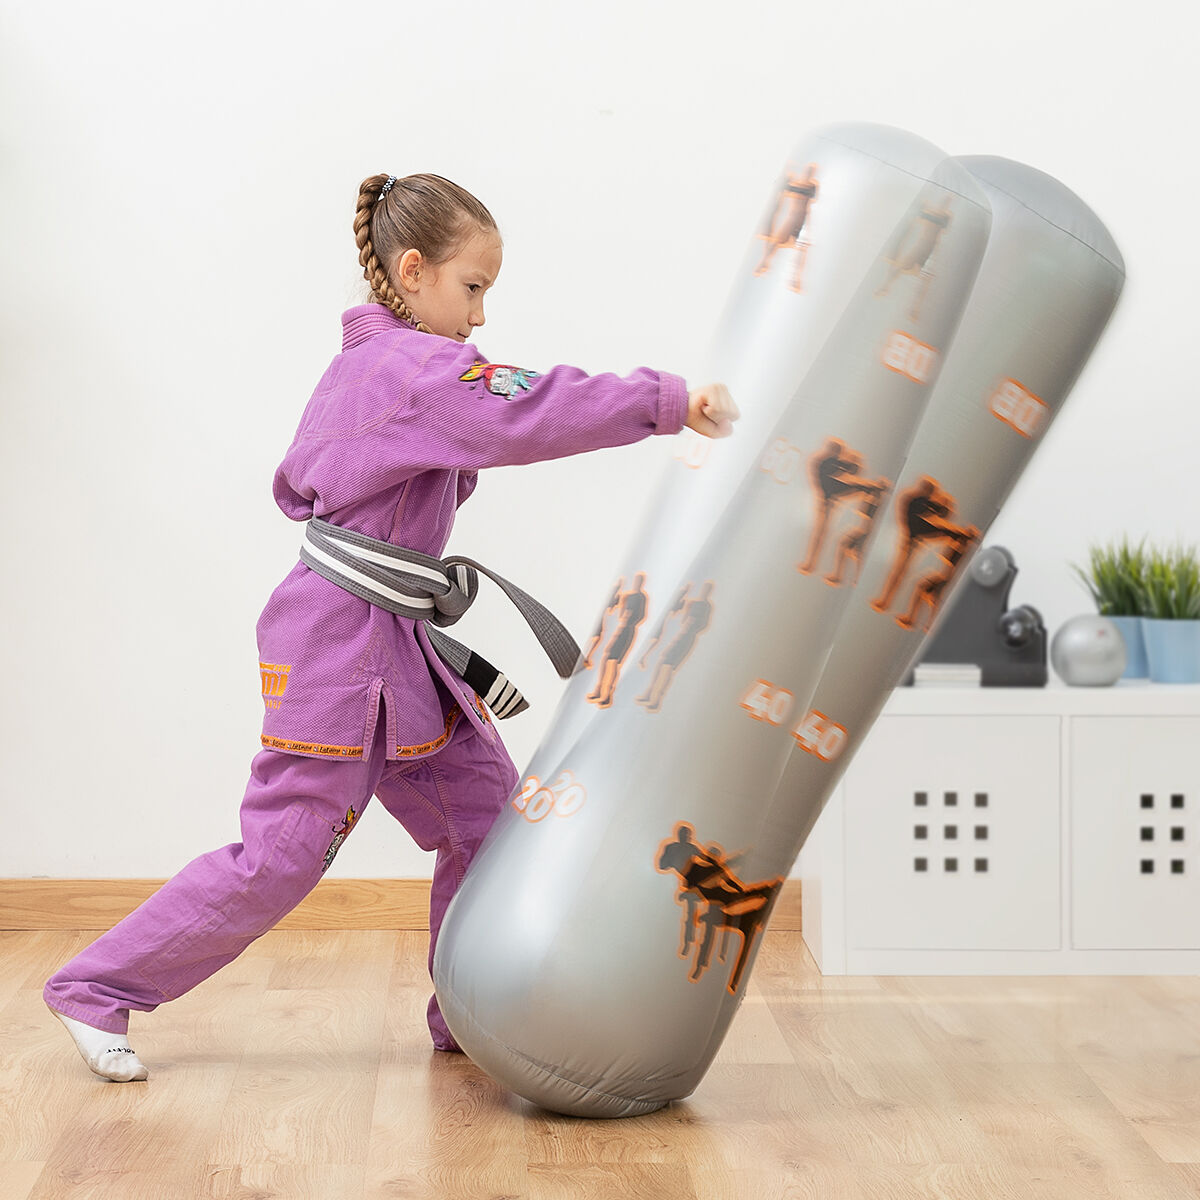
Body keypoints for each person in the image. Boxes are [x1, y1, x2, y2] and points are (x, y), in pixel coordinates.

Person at [44, 172, 739, 1082]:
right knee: (280, 858)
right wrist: (668, 400)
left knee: (489, 823)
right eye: (473, 287)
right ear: (412, 272)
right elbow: (527, 407)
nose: (482, 316)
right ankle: (95, 989)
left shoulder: (399, 364)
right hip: (340, 649)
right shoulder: (408, 370)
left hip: (397, 651)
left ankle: (469, 1014)